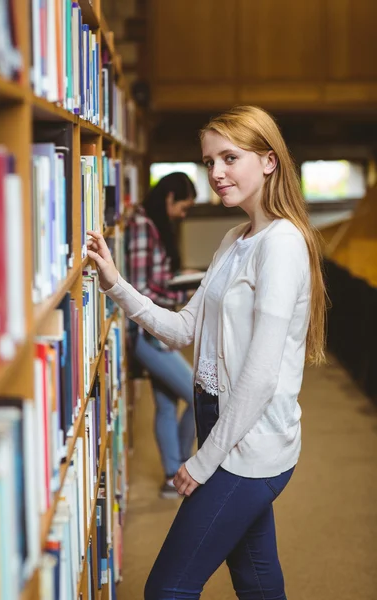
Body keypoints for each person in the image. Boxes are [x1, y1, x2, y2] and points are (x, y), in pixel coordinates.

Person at [87, 105, 327, 600]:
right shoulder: (235, 239)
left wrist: (201, 462)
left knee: (167, 589)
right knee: (257, 581)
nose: (216, 173)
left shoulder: (281, 245)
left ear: (268, 161)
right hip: (219, 422)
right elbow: (181, 329)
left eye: (229, 158)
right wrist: (116, 286)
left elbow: (259, 377)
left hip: (249, 443)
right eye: (209, 161)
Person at [125, 172, 197, 499]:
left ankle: (172, 477)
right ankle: (183, 470)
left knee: (167, 404)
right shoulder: (142, 226)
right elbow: (139, 289)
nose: (184, 213)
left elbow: (155, 280)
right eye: (184, 206)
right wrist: (179, 299)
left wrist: (180, 284)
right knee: (200, 396)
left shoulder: (154, 226)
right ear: (169, 198)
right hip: (147, 333)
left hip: (156, 328)